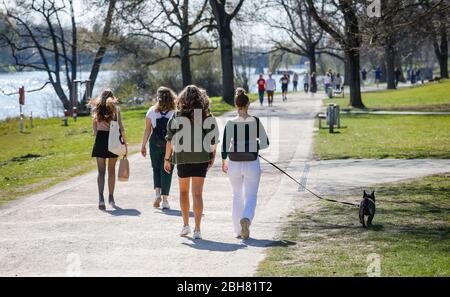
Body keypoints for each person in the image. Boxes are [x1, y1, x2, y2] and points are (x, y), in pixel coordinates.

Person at [164, 85, 219, 240]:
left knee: (183, 192)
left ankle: (185, 224)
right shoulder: (207, 116)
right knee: (197, 194)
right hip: (201, 157)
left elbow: (169, 140)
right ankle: (198, 229)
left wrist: (167, 159)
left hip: (182, 157)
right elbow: (213, 139)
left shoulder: (176, 116)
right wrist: (212, 156)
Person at [221, 88, 270, 239]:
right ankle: (246, 219)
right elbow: (265, 143)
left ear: (236, 105)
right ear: (248, 104)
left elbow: (224, 146)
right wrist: (253, 146)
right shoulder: (255, 121)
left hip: (234, 163)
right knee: (251, 195)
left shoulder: (230, 123)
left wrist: (224, 161)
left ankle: (237, 230)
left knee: (236, 195)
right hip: (251, 162)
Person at [90, 89, 128, 211]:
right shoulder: (115, 109)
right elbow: (121, 128)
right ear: (112, 97)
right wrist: (125, 144)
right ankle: (111, 197)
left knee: (101, 171)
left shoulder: (96, 109)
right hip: (113, 140)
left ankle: (101, 198)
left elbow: (95, 131)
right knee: (111, 170)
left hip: (100, 140)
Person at [141, 87, 176, 209]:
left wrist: (143, 145)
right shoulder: (175, 112)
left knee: (156, 168)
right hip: (170, 145)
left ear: (158, 97)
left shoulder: (151, 111)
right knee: (167, 170)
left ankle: (157, 194)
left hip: (154, 144)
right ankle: (165, 200)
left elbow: (147, 130)